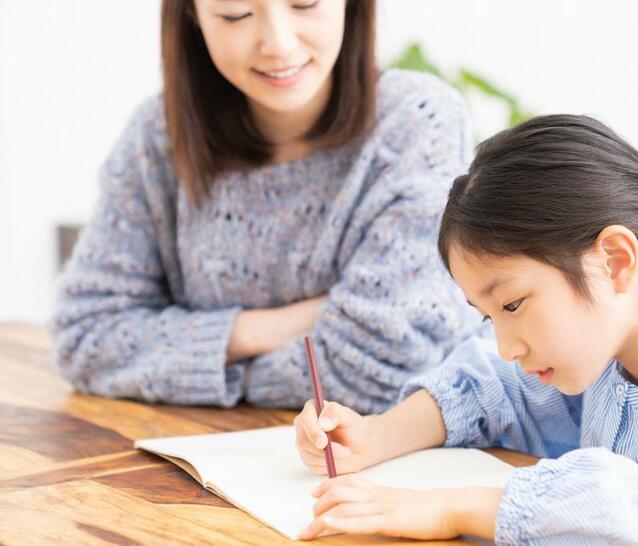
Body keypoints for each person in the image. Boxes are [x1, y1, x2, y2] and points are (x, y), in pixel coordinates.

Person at [294, 115, 638, 544]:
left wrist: (453, 509)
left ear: (614, 261)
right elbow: (496, 385)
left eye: (513, 304)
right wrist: (375, 436)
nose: (505, 344)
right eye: (488, 315)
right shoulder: (618, 352)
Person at [50, 0, 476, 413]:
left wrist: (212, 365)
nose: (279, 44)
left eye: (305, 4)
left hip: (388, 462)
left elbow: (380, 368)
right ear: (192, 16)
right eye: (236, 14)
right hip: (195, 454)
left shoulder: (418, 120)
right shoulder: (159, 134)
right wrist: (279, 327)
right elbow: (86, 336)